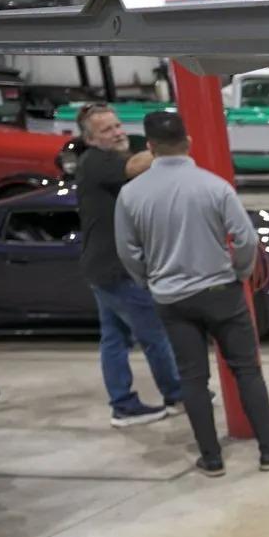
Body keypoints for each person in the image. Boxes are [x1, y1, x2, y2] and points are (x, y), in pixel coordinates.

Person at [116, 110, 269, 477]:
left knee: (192, 378)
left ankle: (212, 458)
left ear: (150, 147)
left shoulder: (130, 195)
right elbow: (246, 238)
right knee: (246, 370)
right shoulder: (214, 186)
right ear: (188, 142)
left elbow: (127, 251)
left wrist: (149, 281)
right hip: (221, 290)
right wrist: (241, 272)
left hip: (171, 297)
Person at [76, 103, 185, 427]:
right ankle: (177, 394)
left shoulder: (110, 156)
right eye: (107, 130)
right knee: (155, 334)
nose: (118, 132)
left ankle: (122, 404)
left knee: (114, 338)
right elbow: (136, 167)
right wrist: (172, 147)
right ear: (92, 140)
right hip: (117, 269)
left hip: (101, 268)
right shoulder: (96, 162)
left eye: (118, 125)